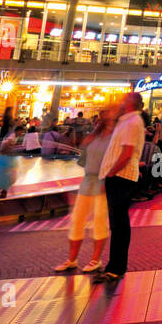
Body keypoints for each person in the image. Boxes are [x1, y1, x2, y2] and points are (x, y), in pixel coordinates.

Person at [55, 104, 116, 273]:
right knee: (77, 220)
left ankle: (95, 259)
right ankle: (72, 259)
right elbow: (83, 161)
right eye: (102, 116)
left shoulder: (115, 138)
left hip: (103, 182)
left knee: (99, 221)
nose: (103, 119)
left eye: (107, 116)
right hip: (88, 181)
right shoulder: (93, 137)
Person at [97, 91, 146, 282]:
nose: (120, 102)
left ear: (130, 104)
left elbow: (127, 152)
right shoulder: (126, 121)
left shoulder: (133, 123)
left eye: (124, 100)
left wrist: (111, 172)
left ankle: (117, 267)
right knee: (117, 223)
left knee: (119, 224)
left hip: (121, 176)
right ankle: (114, 266)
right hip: (118, 176)